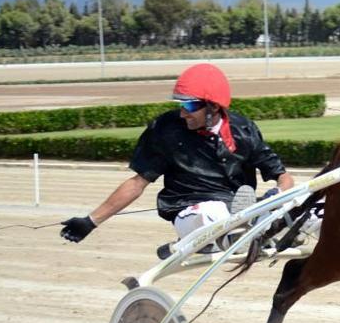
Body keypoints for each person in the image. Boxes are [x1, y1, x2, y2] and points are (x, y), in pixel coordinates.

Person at [59, 63, 294, 249]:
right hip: (190, 211)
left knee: (302, 203)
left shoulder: (243, 130)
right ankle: (242, 229)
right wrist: (90, 221)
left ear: (212, 107)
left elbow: (284, 177)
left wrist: (279, 193)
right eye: (180, 105)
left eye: (190, 107)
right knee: (212, 212)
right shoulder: (165, 129)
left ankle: (259, 224)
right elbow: (136, 183)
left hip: (239, 208)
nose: (183, 114)